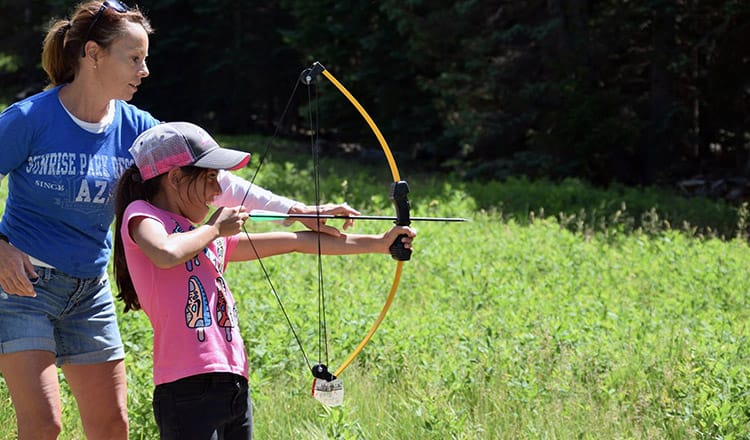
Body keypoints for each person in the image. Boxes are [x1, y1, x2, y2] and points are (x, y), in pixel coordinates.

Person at [0, 2, 358, 438]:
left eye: (145, 58)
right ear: (92, 54)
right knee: (43, 424)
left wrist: (298, 211)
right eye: (134, 58)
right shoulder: (29, 119)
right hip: (22, 288)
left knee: (112, 426)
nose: (145, 70)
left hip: (89, 292)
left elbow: (210, 178)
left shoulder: (137, 127)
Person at [112, 122, 416, 439]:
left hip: (233, 381)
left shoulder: (202, 237)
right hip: (185, 387)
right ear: (175, 178)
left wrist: (381, 243)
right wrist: (214, 229)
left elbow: (297, 240)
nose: (218, 192)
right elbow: (165, 253)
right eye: (211, 179)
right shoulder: (144, 216)